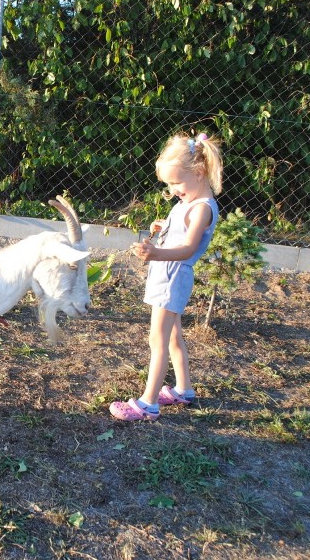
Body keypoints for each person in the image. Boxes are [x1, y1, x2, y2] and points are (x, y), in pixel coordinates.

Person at [110, 132, 223, 421]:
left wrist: (156, 254)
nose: (173, 190)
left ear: (199, 172)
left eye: (176, 183)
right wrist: (165, 225)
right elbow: (180, 231)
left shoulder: (201, 209)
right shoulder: (190, 201)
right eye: (169, 184)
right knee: (173, 336)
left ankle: (148, 404)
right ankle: (183, 389)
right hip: (168, 273)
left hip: (173, 274)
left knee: (157, 340)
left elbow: (187, 249)